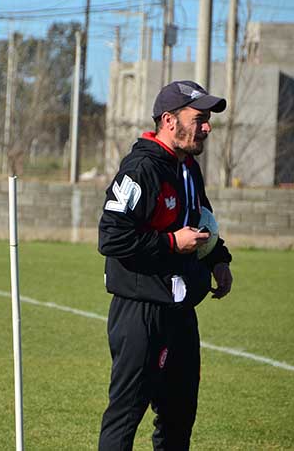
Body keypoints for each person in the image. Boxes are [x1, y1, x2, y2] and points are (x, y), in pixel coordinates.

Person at [97, 80, 234, 450]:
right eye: (199, 118)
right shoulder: (141, 168)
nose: (207, 127)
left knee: (178, 418)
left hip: (181, 311)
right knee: (125, 416)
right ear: (170, 120)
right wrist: (173, 242)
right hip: (142, 312)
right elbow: (111, 238)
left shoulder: (188, 166)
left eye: (208, 120)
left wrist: (218, 258)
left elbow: (200, 219)